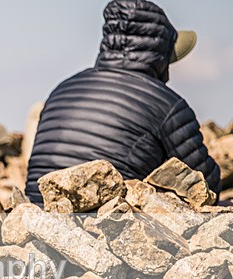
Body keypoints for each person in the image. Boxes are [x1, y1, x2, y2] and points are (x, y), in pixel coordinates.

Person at [25, 0, 221, 205]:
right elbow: (206, 186)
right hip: (105, 221)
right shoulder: (167, 104)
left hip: (33, 214)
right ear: (161, 55)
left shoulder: (62, 89)